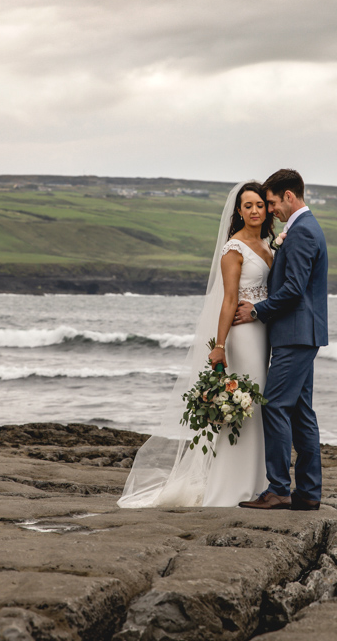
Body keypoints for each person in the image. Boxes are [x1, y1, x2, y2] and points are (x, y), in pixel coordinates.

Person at [117, 181, 274, 507]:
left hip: (264, 334)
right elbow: (229, 300)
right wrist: (219, 345)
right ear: (239, 211)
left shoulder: (269, 244)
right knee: (242, 409)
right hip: (242, 336)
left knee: (259, 409)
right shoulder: (235, 249)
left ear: (267, 208)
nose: (255, 211)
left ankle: (259, 483)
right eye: (248, 206)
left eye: (259, 204)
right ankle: (230, 489)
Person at [233, 169, 328, 511]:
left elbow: (292, 290)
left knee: (273, 405)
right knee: (301, 412)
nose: (270, 209)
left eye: (271, 202)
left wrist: (257, 311)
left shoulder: (302, 232)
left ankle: (278, 489)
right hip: (302, 333)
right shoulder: (302, 228)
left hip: (295, 334)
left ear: (289, 196)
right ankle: (309, 493)